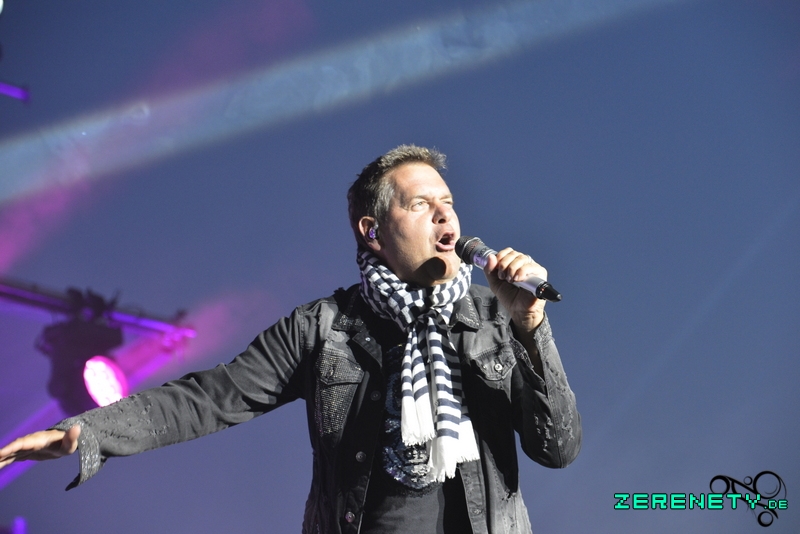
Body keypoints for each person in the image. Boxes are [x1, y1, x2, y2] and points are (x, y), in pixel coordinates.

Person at [0, 145, 581, 533]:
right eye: (421, 204)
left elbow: (557, 448)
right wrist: (91, 431)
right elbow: (210, 398)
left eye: (448, 204)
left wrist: (530, 326)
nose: (444, 216)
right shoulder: (323, 328)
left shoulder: (496, 318)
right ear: (373, 232)